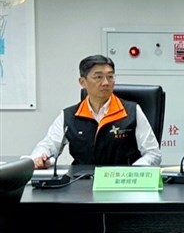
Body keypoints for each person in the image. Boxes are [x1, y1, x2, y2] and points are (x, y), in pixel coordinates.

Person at [30, 55, 161, 169]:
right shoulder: (69, 115)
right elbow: (47, 146)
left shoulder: (132, 111)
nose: (106, 83)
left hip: (122, 185)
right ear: (82, 82)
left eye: (110, 77)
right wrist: (39, 158)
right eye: (98, 77)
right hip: (81, 185)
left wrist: (133, 172)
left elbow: (153, 153)